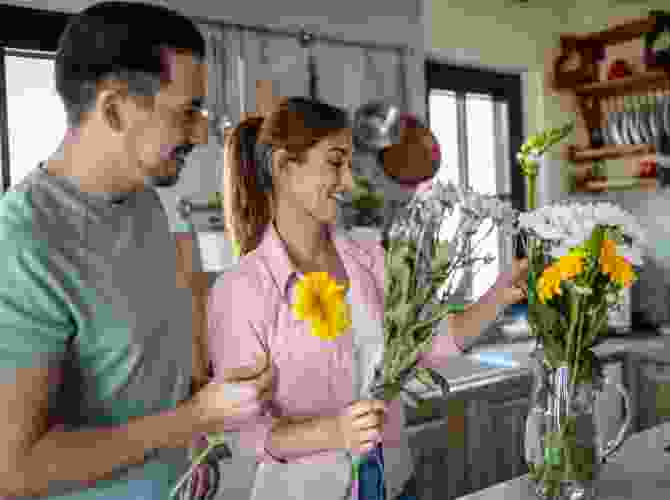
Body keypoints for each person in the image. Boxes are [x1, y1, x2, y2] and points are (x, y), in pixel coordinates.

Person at [0, 2, 273, 499]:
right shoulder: (23, 241)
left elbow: (140, 379)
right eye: (187, 111)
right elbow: (14, 471)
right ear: (114, 109)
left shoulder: (147, 202)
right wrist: (195, 417)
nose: (202, 132)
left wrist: (207, 412)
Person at [207, 96, 529, 500]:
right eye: (335, 163)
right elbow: (248, 433)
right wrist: (335, 431)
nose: (348, 183)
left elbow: (428, 342)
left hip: (395, 486)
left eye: (350, 165)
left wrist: (501, 294)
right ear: (284, 167)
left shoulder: (369, 256)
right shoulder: (243, 289)